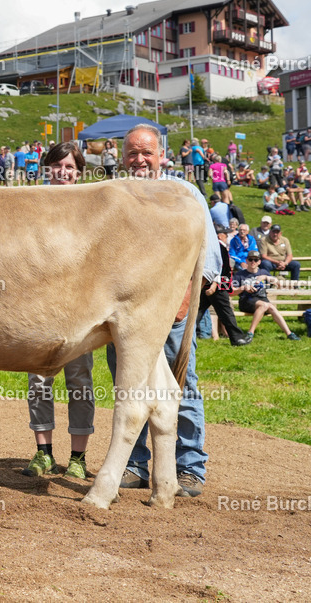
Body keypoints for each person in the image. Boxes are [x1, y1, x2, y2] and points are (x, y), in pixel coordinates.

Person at [110, 123, 240, 501]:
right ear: (122, 158)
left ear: (162, 156)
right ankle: (133, 464)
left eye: (146, 152)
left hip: (172, 310)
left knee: (180, 385)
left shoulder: (182, 193)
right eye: (132, 153)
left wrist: (185, 300)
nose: (139, 160)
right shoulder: (116, 195)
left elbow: (209, 256)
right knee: (127, 384)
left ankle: (189, 466)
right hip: (126, 312)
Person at [22, 142, 94, 480]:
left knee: (79, 380)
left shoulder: (92, 207)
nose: (63, 173)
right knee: (38, 379)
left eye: (70, 168)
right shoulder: (33, 205)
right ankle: (43, 453)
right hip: (39, 309)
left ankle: (78, 458)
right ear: (46, 169)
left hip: (81, 310)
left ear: (79, 173)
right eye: (57, 166)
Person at [234, 252, 301, 341]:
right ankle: (250, 333)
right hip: (246, 300)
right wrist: (243, 287)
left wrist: (265, 277)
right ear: (246, 261)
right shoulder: (240, 274)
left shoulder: (263, 272)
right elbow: (232, 291)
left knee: (271, 307)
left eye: (255, 260)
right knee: (266, 305)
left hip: (262, 299)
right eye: (250, 259)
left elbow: (277, 283)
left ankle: (289, 333)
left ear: (259, 262)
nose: (253, 262)